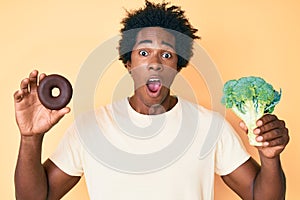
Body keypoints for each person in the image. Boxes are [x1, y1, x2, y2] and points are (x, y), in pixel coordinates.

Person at [14, 1, 289, 199]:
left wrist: (270, 159)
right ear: (128, 62)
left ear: (178, 65)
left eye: (166, 54)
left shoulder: (209, 127)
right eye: (144, 53)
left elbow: (261, 195)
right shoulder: (90, 128)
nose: (155, 63)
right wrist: (30, 138)